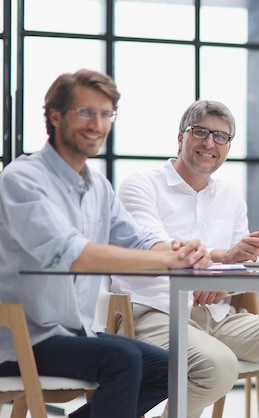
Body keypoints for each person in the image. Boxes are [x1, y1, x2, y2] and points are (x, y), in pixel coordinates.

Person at [111, 99, 259, 418]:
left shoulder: (230, 195)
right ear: (180, 137)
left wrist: (226, 282)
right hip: (157, 313)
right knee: (219, 366)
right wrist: (221, 258)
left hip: (219, 317)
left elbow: (241, 267)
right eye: (200, 132)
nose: (210, 143)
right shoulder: (141, 185)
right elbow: (155, 247)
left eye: (221, 136)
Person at [0, 69, 213, 418]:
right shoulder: (22, 180)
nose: (96, 124)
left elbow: (140, 239)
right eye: (85, 111)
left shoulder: (97, 187)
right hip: (21, 339)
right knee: (122, 360)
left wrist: (181, 252)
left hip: (74, 333)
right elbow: (74, 255)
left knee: (172, 368)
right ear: (55, 116)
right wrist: (167, 264)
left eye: (105, 114)